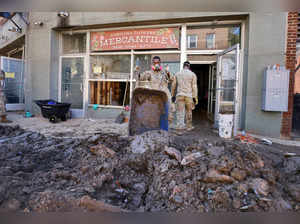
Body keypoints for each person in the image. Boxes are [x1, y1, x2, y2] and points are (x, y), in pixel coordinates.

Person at [136, 56, 175, 125]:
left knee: (168, 111)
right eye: (155, 63)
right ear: (152, 63)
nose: (156, 64)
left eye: (158, 63)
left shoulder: (164, 73)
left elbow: (171, 79)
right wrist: (137, 71)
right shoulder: (149, 73)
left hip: (164, 95)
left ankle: (167, 126)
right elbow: (141, 77)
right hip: (154, 95)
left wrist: (168, 72)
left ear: (160, 63)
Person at [171, 61, 198, 131]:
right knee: (189, 111)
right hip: (189, 96)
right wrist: (195, 97)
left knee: (180, 112)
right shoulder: (192, 74)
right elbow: (194, 86)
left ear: (183, 66)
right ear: (189, 66)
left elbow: (173, 85)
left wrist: (172, 95)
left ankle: (180, 127)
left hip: (180, 95)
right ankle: (189, 126)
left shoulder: (177, 74)